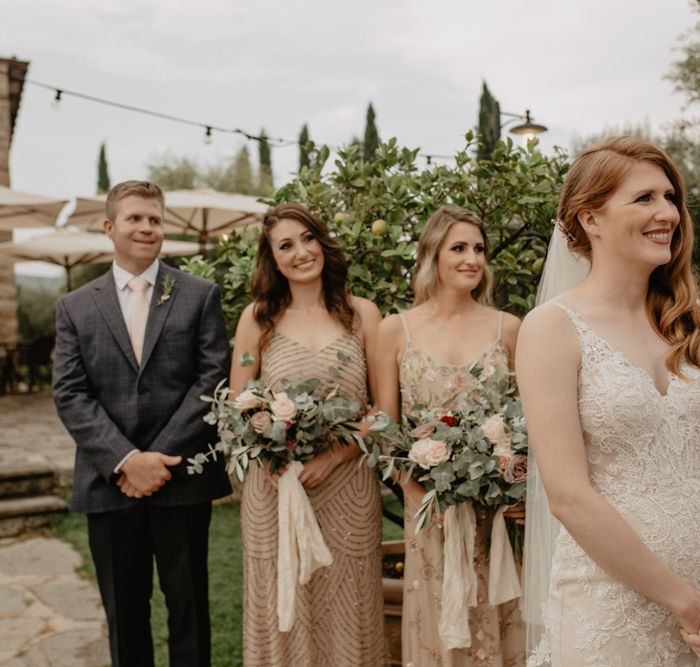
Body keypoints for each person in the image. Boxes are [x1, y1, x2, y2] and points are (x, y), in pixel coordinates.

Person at [516, 137, 700, 666]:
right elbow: (567, 495)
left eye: (669, 196)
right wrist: (686, 604)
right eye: (645, 199)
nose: (668, 213)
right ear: (591, 219)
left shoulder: (690, 320)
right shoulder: (551, 329)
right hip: (609, 606)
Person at [53, 180, 231, 667]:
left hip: (181, 479)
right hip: (109, 483)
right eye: (134, 218)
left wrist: (158, 459)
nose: (146, 227)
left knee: (188, 607)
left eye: (154, 219)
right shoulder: (75, 306)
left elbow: (213, 378)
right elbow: (69, 393)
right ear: (110, 227)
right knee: (125, 612)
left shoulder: (198, 294)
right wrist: (127, 461)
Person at [230, 202, 387, 666]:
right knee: (283, 604)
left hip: (348, 487)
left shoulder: (362, 316)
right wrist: (275, 459)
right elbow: (240, 407)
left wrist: (334, 456)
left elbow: (382, 412)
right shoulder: (257, 319)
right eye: (286, 245)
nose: (301, 252)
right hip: (276, 490)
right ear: (272, 259)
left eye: (308, 238)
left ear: (323, 242)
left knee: (349, 602)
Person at [375, 206, 525, 667]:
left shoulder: (510, 328)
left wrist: (520, 485)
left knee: (500, 618)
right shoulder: (394, 330)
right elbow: (386, 429)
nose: (472, 259)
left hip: (499, 514)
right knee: (439, 626)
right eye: (458, 248)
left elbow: (530, 420)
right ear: (432, 256)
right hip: (430, 512)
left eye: (478, 249)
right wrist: (411, 489)